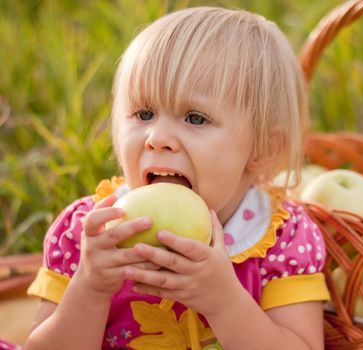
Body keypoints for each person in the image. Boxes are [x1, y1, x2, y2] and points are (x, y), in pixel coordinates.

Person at [24, 6, 329, 350]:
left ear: (263, 149)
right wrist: (90, 287)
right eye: (144, 113)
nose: (156, 137)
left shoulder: (281, 240)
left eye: (195, 118)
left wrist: (225, 302)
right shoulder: (91, 234)